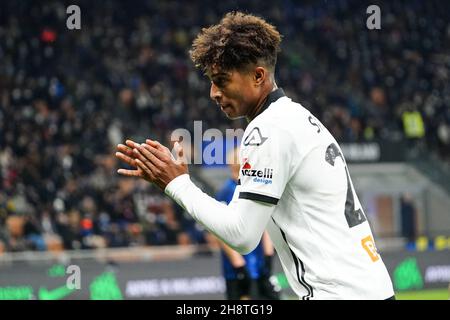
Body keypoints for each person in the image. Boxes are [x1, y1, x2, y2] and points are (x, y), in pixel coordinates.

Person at [115, 12, 395, 300]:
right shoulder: (294, 117)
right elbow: (241, 218)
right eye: (211, 81)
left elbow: (241, 235)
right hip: (368, 288)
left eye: (221, 80)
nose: (213, 92)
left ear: (258, 76)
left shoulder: (269, 130)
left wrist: (177, 184)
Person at [216, 147, 279, 300]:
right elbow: (220, 232)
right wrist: (239, 266)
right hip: (239, 270)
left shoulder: (253, 188)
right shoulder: (226, 192)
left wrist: (268, 256)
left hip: (259, 265)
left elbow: (265, 222)